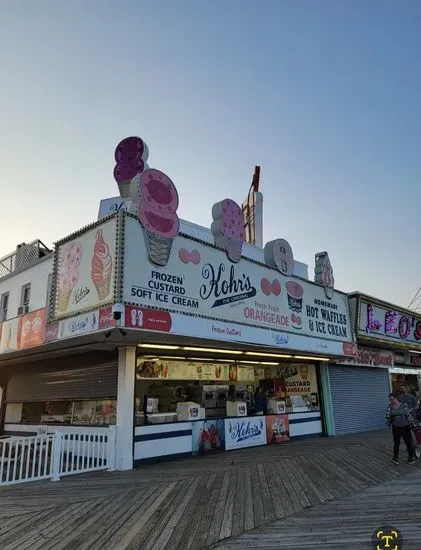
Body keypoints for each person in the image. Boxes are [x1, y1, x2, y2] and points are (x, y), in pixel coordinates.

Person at [386, 393, 416, 465]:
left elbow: (408, 416)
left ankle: (411, 457)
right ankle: (395, 458)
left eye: (391, 399)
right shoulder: (389, 406)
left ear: (396, 398)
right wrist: (389, 417)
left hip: (405, 427)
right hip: (396, 428)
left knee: (408, 442)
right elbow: (387, 415)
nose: (390, 401)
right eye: (389, 399)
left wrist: (413, 425)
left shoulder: (404, 405)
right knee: (396, 443)